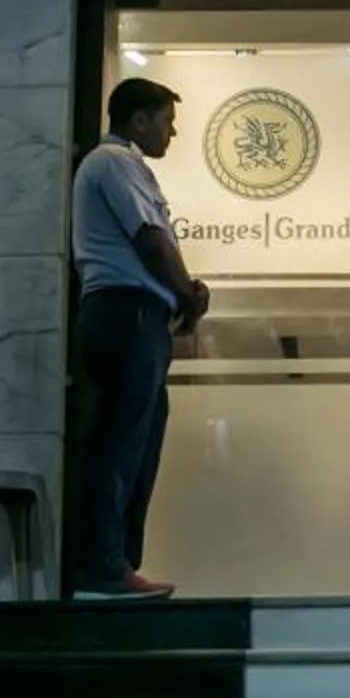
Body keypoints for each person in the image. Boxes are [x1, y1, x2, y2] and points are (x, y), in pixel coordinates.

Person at [68, 76, 207, 600]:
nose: (172, 133)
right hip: (127, 315)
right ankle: (104, 568)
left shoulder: (123, 166)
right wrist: (187, 295)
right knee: (119, 445)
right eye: (166, 121)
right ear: (138, 120)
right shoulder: (114, 163)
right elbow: (150, 241)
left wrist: (183, 294)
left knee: (135, 441)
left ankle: (119, 564)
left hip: (139, 315)